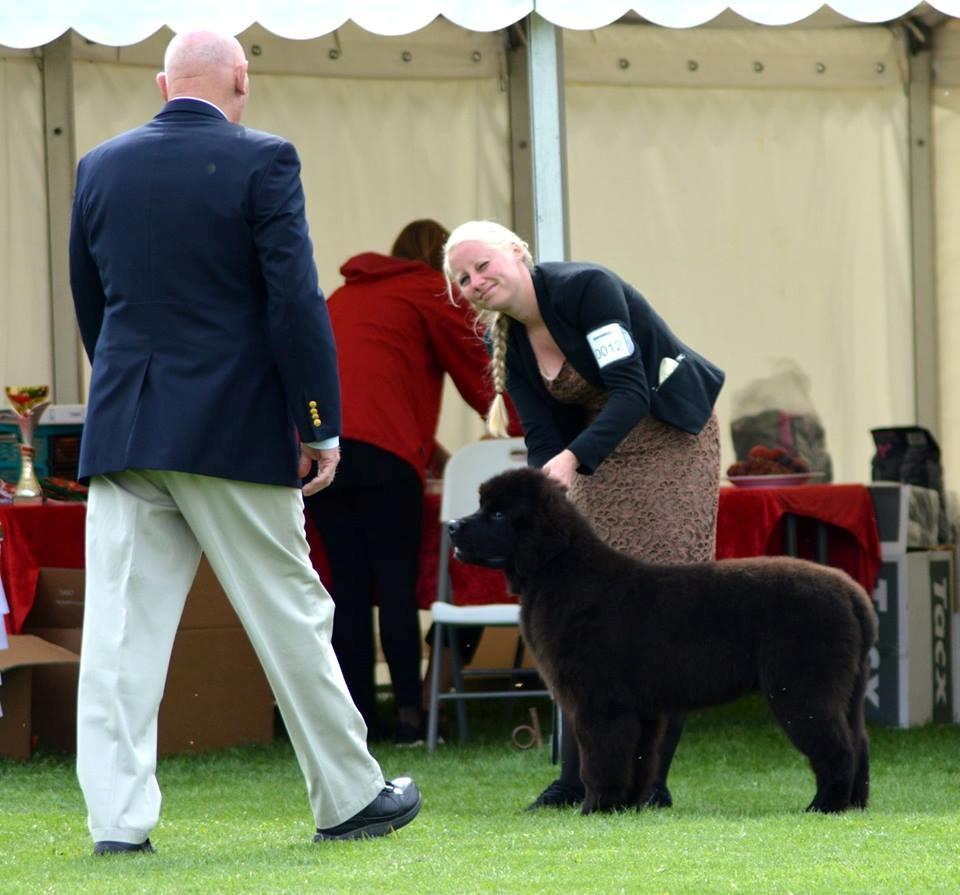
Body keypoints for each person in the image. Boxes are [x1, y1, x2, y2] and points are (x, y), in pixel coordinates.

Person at [68, 30, 420, 855]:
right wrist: (318, 420)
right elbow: (295, 300)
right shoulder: (267, 159)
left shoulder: (99, 165)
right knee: (291, 616)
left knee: (120, 639)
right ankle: (350, 796)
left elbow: (93, 306)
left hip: (127, 425)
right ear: (241, 80)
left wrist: (129, 393)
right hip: (230, 426)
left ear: (162, 84)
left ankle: (117, 825)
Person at [443, 220, 725, 810]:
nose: (474, 282)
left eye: (483, 266)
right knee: (586, 618)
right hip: (597, 456)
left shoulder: (586, 288)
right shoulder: (510, 339)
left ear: (518, 253)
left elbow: (632, 391)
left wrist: (572, 461)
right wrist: (548, 486)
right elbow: (544, 436)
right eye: (462, 279)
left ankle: (650, 783)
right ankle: (578, 781)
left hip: (667, 440)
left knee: (660, 611)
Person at [305, 219, 505, 744]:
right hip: (386, 461)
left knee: (346, 589)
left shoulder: (345, 297)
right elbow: (481, 375)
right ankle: (412, 718)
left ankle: (357, 724)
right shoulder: (431, 292)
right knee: (394, 583)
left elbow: (369, 392)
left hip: (323, 452)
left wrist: (428, 452)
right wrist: (527, 437)